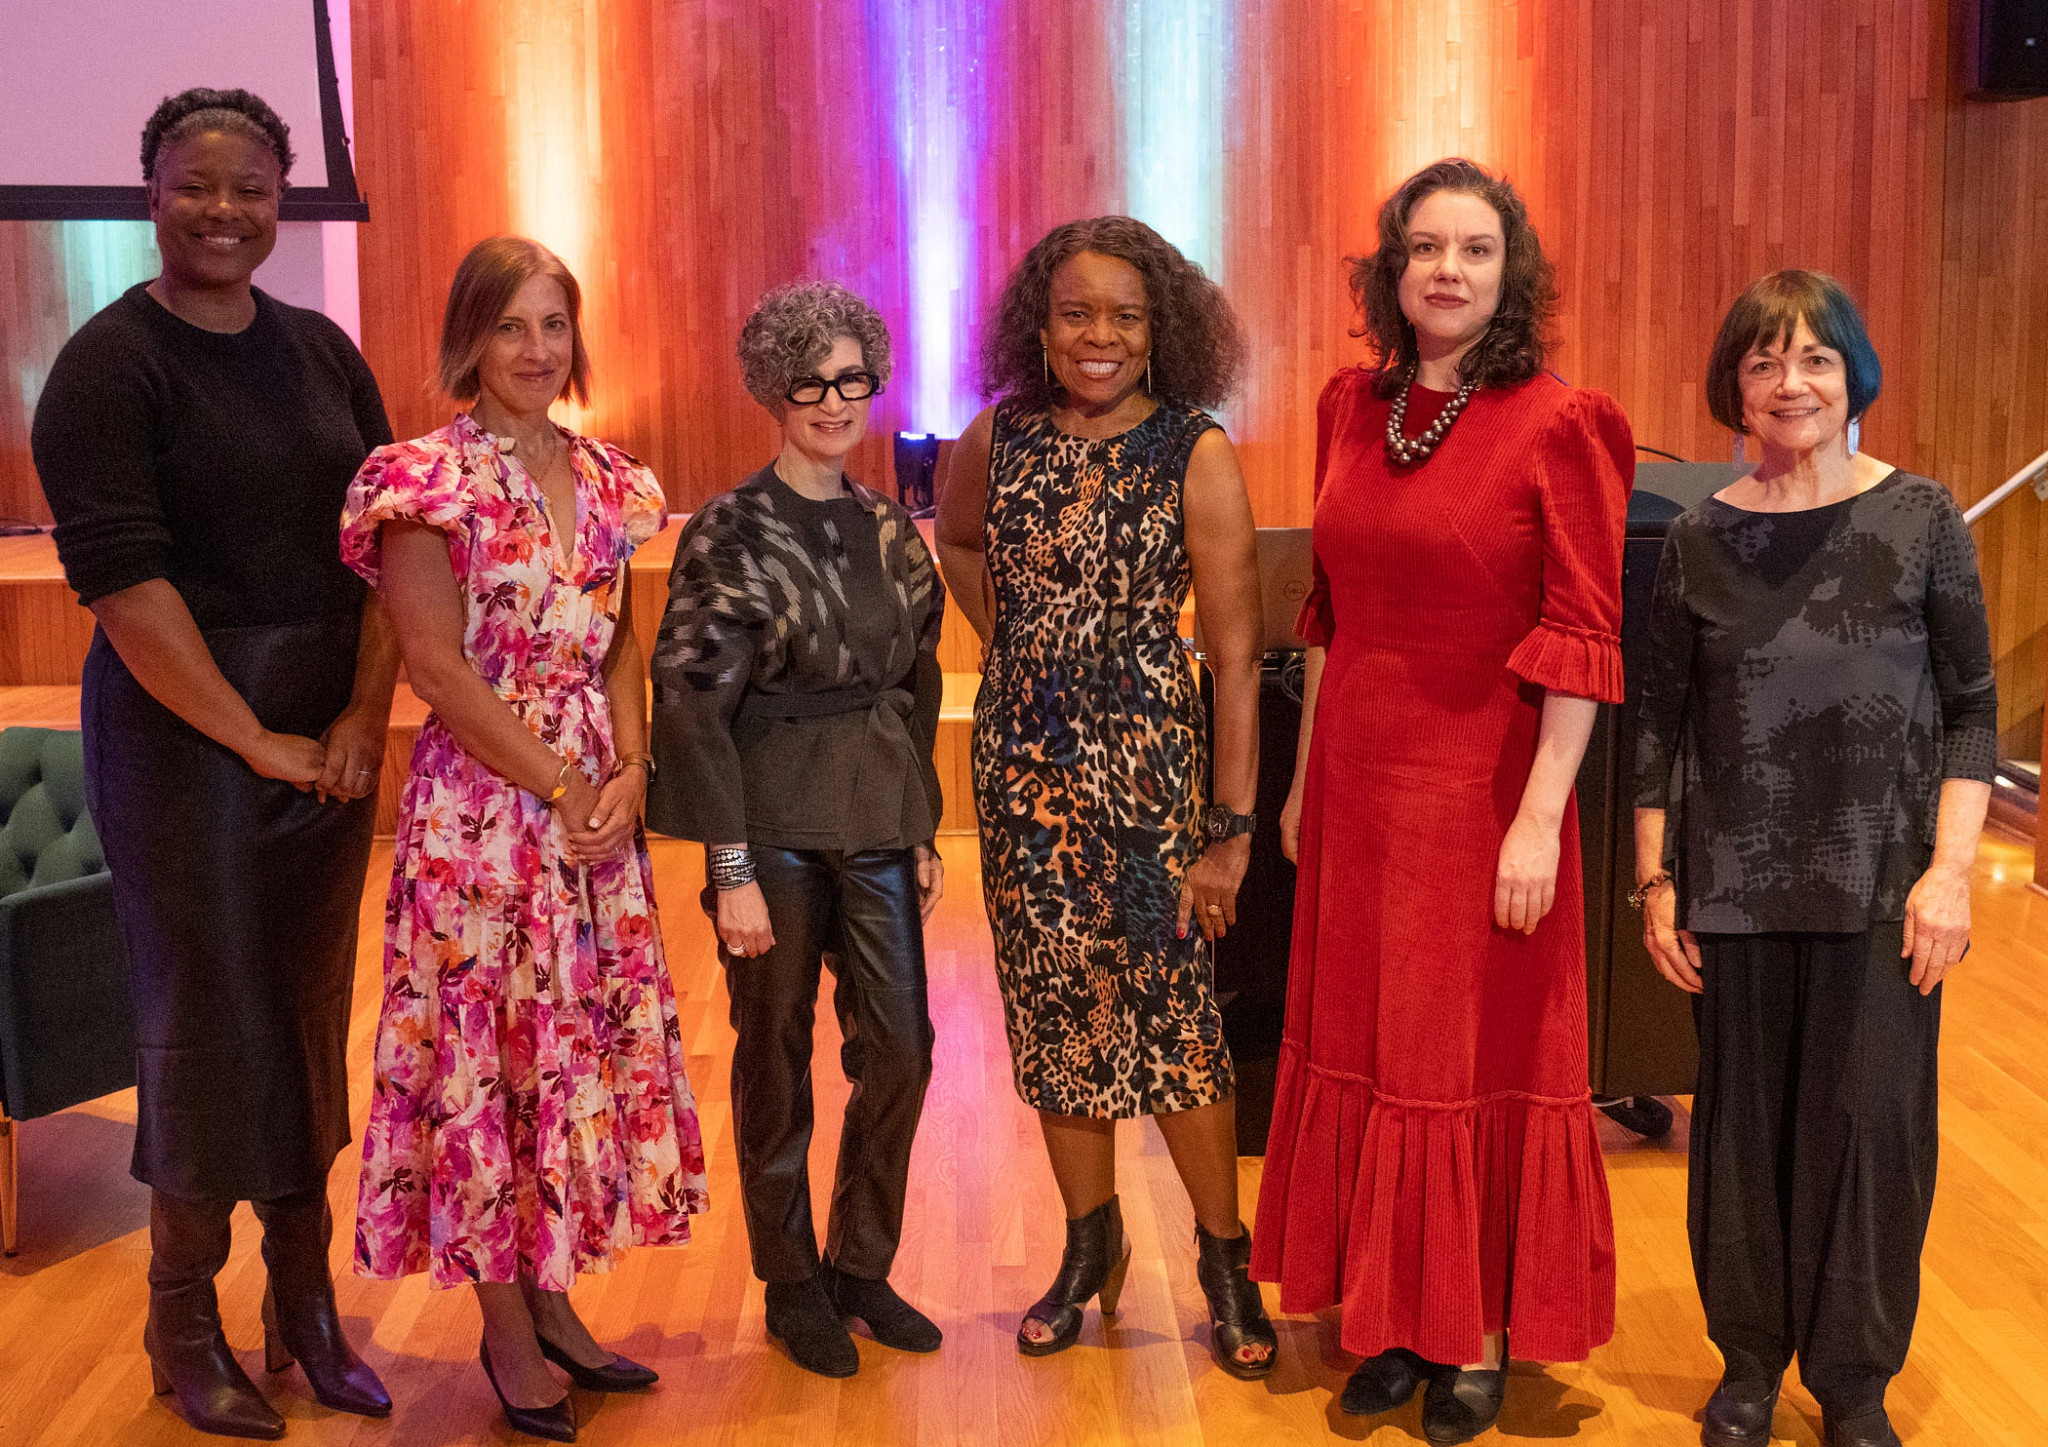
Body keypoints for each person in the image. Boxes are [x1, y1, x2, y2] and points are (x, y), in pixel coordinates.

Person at [32, 87, 396, 1440]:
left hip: (326, 735)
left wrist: (361, 716)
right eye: (197, 185)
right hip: (184, 734)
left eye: (251, 186)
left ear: (283, 196)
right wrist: (254, 738)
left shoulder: (323, 351)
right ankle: (182, 1315)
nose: (226, 210)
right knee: (204, 1023)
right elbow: (126, 589)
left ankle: (303, 1306)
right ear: (152, 194)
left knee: (306, 1014)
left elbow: (385, 547)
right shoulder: (109, 366)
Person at [1250, 158, 1630, 1442]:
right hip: (1357, 781)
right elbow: (1326, 616)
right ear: (1388, 269)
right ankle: (1394, 1318)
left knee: (1461, 1059)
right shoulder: (1349, 405)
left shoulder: (1561, 420)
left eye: (1473, 249)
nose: (1446, 271)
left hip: (1485, 789)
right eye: (1423, 248)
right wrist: (1298, 784)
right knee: (1368, 1043)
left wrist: (1537, 816)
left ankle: (1469, 1333)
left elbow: (1583, 632)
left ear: (1508, 271)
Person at [344, 236, 708, 1444]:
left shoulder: (611, 477)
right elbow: (439, 672)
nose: (535, 350)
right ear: (468, 339)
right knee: (485, 1067)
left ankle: (551, 1297)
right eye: (509, 327)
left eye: (553, 324)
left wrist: (632, 770)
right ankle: (504, 1329)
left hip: (589, 809)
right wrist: (558, 781)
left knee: (563, 1064)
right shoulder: (422, 479)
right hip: (482, 820)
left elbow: (616, 644)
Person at [1633, 270, 1996, 1447]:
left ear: (1851, 375)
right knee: (1741, 1136)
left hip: (1884, 886)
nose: (1788, 383)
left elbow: (1970, 711)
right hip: (1732, 885)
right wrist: (1654, 879)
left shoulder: (1920, 518)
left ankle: (1850, 1384)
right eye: (1760, 362)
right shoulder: (1696, 535)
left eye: (1812, 359)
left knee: (1872, 1136)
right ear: (1730, 387)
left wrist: (1948, 874)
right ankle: (1744, 1365)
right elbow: (1657, 725)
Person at [934, 217, 1275, 1379]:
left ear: (1158, 329)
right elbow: (961, 539)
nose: (1099, 336)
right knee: (1053, 1010)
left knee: (1171, 1020)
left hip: (1150, 790)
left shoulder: (1195, 448)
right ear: (1040, 324)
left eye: (1125, 316)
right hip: (1025, 781)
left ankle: (1221, 1258)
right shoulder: (1000, 432)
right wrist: (1026, 651)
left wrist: (1225, 835)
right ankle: (1090, 1247)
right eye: (1077, 313)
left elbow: (1233, 654)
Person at [647, 280, 947, 1379]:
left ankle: (860, 1264)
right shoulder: (731, 525)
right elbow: (688, 698)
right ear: (775, 390)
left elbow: (915, 678)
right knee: (773, 1062)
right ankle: (790, 1284)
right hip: (767, 824)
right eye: (810, 381)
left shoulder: (883, 524)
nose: (832, 399)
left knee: (902, 1050)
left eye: (850, 377)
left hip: (872, 814)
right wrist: (727, 867)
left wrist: (917, 827)